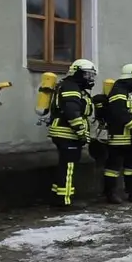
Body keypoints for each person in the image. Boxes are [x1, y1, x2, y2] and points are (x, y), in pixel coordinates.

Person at [48, 59, 97, 207]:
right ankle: (65, 200)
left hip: (66, 132)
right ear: (77, 73)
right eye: (87, 75)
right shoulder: (71, 87)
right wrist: (81, 132)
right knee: (68, 167)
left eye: (92, 75)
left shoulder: (74, 86)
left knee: (65, 165)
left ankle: (58, 196)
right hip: (67, 132)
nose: (90, 79)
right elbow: (72, 111)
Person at [101, 64, 132, 204]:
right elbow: (118, 112)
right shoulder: (118, 91)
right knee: (113, 167)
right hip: (119, 137)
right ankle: (110, 194)